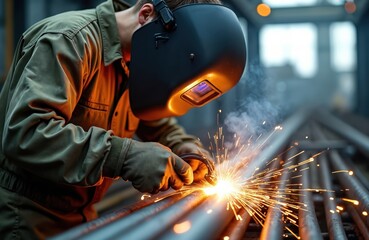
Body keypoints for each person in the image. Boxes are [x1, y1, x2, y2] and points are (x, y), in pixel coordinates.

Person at [0, 0, 246, 239]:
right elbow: (28, 132)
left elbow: (151, 117)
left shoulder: (138, 57)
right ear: (146, 15)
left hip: (83, 214)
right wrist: (125, 156)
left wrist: (182, 146)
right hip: (25, 216)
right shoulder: (68, 41)